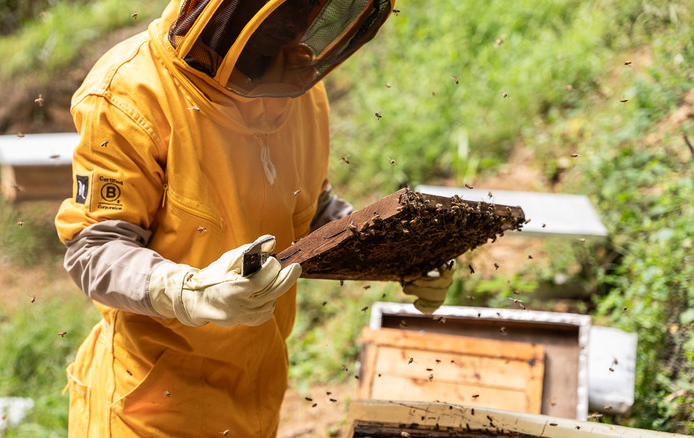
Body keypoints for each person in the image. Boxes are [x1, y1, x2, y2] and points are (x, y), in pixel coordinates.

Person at [54, 0, 453, 436]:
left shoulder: (301, 92)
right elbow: (93, 249)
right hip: (148, 409)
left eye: (310, 6)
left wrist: (403, 251)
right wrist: (186, 291)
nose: (295, 25)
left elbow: (310, 212)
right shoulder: (130, 92)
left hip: (257, 397)